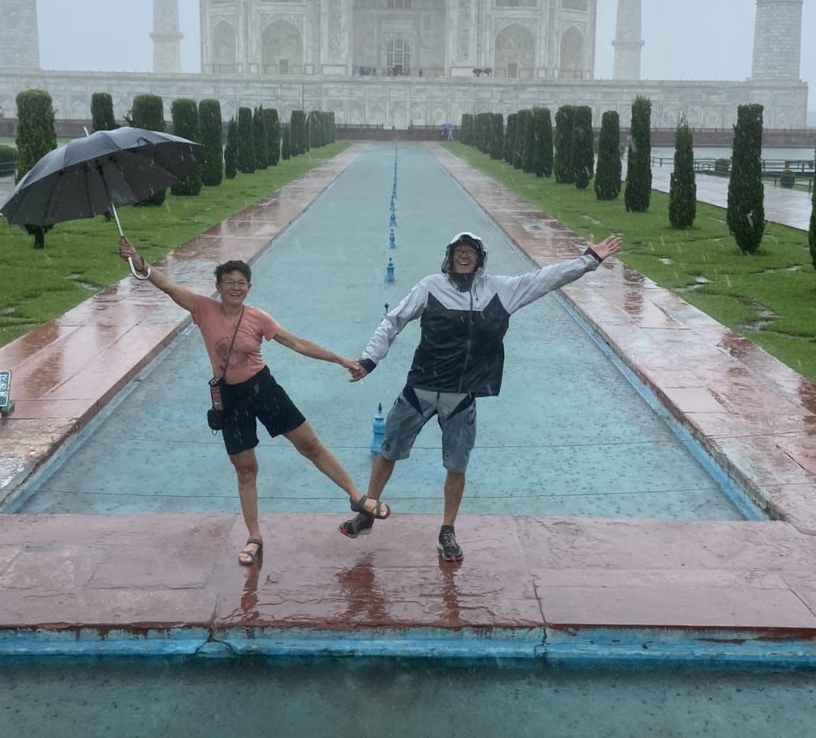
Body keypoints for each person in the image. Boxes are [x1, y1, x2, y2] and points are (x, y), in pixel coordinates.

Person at [344, 229, 622, 561]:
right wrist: (369, 360)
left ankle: (447, 531)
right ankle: (367, 513)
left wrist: (588, 261)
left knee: (457, 466)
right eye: (459, 250)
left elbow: (546, 279)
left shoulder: (500, 291)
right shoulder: (430, 286)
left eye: (471, 251)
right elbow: (394, 320)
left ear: (480, 259)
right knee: (388, 450)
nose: (464, 255)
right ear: (449, 257)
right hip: (420, 387)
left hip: (461, 395)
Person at [118, 237, 388, 566]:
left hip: (263, 389)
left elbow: (298, 344)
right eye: (229, 282)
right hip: (230, 399)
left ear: (249, 287)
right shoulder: (203, 308)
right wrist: (139, 261)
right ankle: (254, 536)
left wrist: (339, 359)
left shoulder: (258, 317)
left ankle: (357, 497)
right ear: (217, 286)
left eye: (241, 283)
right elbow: (167, 287)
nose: (235, 288)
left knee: (310, 445)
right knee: (246, 471)